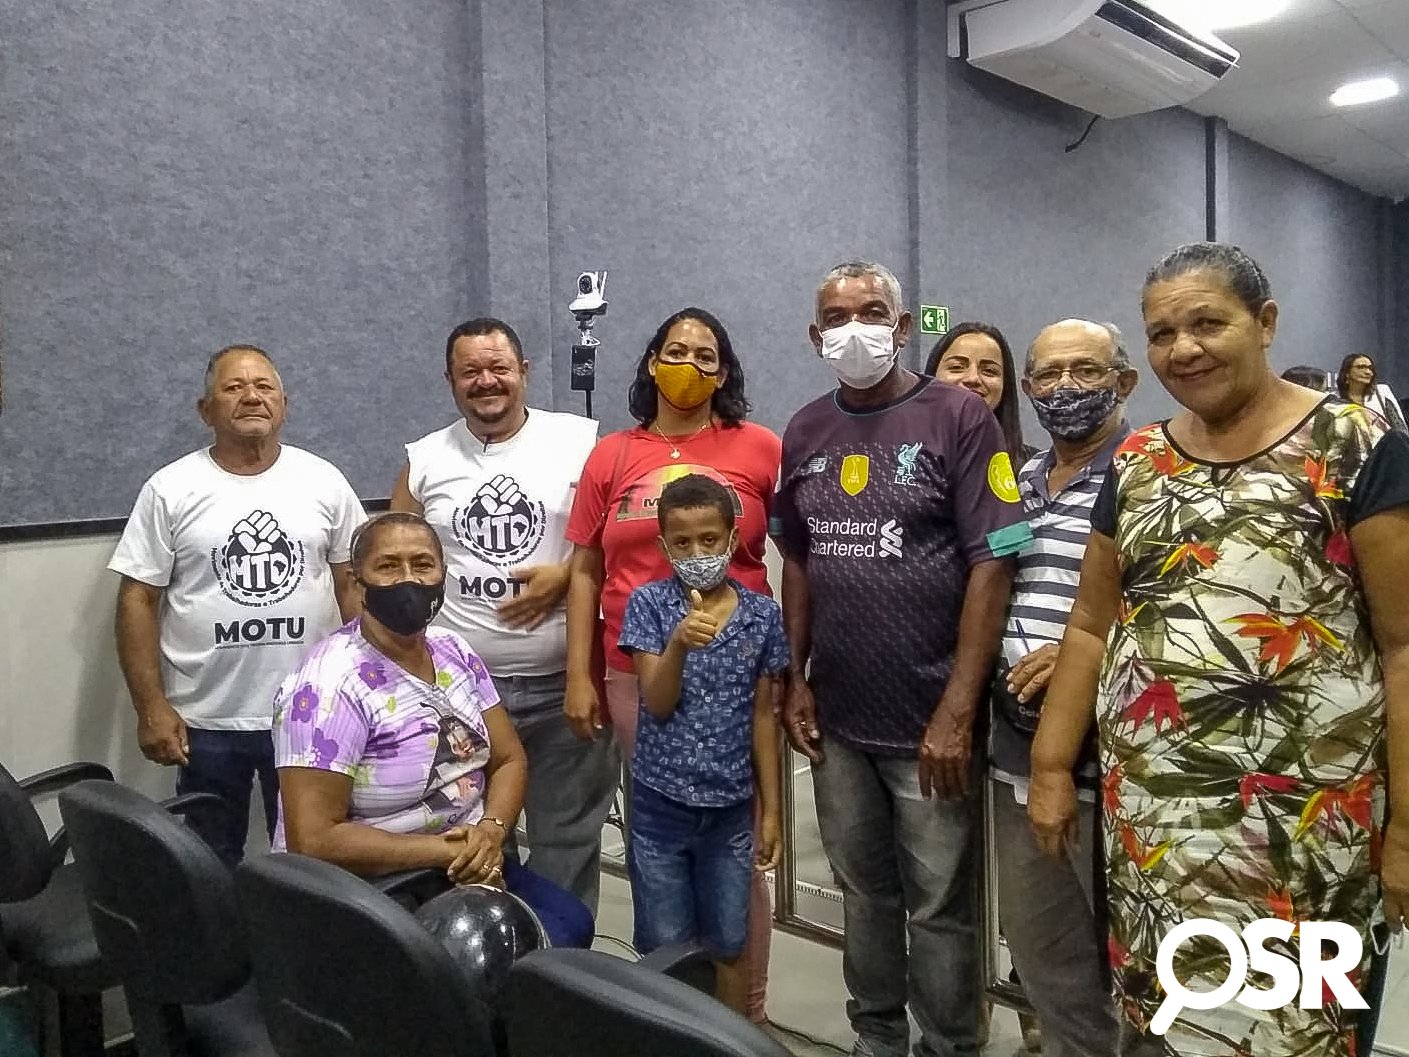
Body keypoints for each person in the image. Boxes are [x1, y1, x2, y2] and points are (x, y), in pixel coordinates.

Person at [1028, 242, 1409, 1057]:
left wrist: (1407, 828)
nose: (1183, 349)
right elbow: (1090, 623)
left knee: (1295, 1032)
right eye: (1161, 333)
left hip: (1304, 829)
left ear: (1264, 322)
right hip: (1158, 825)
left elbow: (1403, 644)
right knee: (1168, 1025)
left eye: (1207, 323)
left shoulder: (1351, 444)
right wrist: (1051, 764)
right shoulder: (1136, 462)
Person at [773, 260, 1033, 1057]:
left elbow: (994, 559)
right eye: (837, 316)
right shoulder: (804, 429)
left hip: (931, 721)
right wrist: (794, 677)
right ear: (815, 336)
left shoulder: (958, 417)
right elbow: (798, 559)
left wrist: (958, 707)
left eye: (871, 310)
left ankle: (948, 1044)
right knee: (863, 892)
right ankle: (876, 1035)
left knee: (939, 905)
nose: (854, 328)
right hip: (839, 717)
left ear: (903, 323)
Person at [563, 307, 781, 1023]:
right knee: (661, 831)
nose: (690, 364)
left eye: (706, 354)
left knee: (736, 845)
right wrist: (578, 673)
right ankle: (674, 1013)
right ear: (652, 361)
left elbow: (802, 551)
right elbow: (584, 569)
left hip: (740, 669)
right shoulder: (612, 455)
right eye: (676, 350)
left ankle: (744, 1016)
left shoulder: (759, 447)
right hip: (636, 672)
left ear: (725, 371)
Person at [272, 512, 594, 948]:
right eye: (388, 566)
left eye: (423, 564)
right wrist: (448, 852)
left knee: (571, 922)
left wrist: (491, 831)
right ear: (357, 582)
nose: (408, 579)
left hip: (465, 857)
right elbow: (313, 839)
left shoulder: (452, 650)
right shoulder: (325, 686)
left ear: (443, 574)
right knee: (522, 953)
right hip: (374, 884)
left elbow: (508, 758)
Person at [390, 317, 617, 914]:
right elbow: (395, 561)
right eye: (470, 371)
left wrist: (566, 575)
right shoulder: (424, 461)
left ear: (524, 372)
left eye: (499, 368)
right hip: (461, 697)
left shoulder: (581, 443)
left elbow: (624, 540)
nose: (486, 381)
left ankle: (561, 961)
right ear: (449, 380)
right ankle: (494, 954)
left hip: (565, 687)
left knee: (567, 843)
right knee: (472, 841)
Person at [110, 344, 364, 867]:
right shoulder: (170, 489)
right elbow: (137, 598)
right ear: (206, 410)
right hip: (207, 720)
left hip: (309, 711)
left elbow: (353, 584)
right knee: (208, 858)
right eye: (233, 387)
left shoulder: (324, 480)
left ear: (284, 405)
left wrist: (368, 686)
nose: (251, 396)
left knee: (311, 860)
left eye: (264, 386)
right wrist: (150, 707)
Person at [991, 319, 1137, 1057]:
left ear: (1124, 381)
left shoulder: (1149, 473)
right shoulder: (1016, 481)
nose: (1065, 387)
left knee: (1137, 969)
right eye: (1048, 375)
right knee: (1047, 959)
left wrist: (1084, 656)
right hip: (1016, 754)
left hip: (1112, 763)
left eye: (1086, 370)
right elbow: (997, 580)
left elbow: (1180, 607)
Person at [617, 474, 789, 1013]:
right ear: (664, 545)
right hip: (659, 810)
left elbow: (764, 719)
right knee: (666, 947)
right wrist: (678, 645)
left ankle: (728, 1039)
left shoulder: (762, 616)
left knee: (730, 943)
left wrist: (771, 812)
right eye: (683, 542)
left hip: (730, 813)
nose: (698, 553)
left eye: (709, 540)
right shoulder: (649, 605)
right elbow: (657, 701)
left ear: (733, 539)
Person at [928, 318, 1036, 1049]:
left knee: (1027, 878)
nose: (972, 378)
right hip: (935, 690)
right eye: (956, 363)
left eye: (989, 367)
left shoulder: (1028, 471)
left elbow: (1007, 565)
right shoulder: (915, 461)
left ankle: (1035, 1009)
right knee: (951, 876)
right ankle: (965, 1015)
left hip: (1019, 700)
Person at [927, 321, 1029, 463]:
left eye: (989, 370)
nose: (973, 378)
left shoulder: (1033, 469)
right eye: (957, 367)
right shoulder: (902, 457)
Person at [1336, 353, 1407, 432]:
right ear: (1347, 372)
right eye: (1361, 367)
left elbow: (1400, 428)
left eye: (1370, 368)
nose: (1368, 372)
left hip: (1384, 439)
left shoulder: (1381, 392)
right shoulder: (1336, 400)